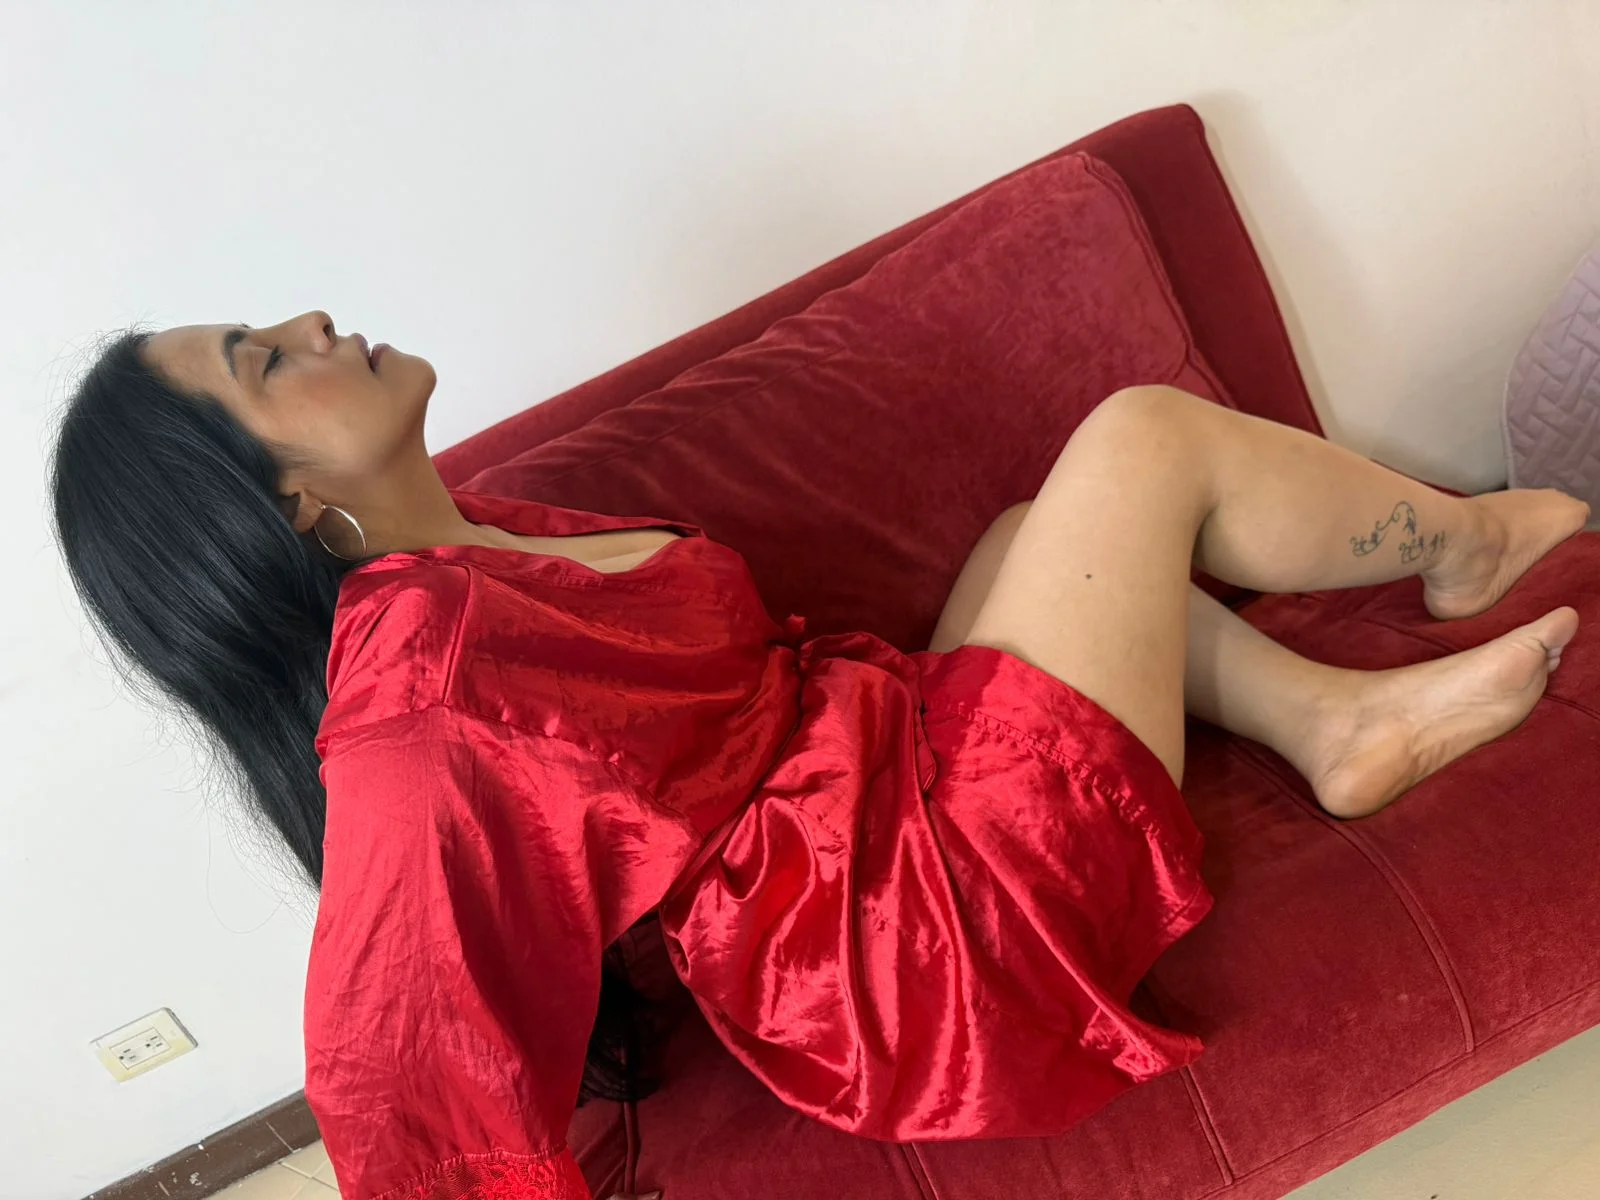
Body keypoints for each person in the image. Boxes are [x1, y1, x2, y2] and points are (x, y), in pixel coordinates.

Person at [50, 310, 1587, 1200]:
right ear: (289, 504)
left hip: (878, 785)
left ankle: (1334, 724)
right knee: (1143, 440)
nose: (314, 324)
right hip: (912, 941)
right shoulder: (420, 698)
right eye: (266, 360)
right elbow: (391, 1054)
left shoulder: (478, 535)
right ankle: (1465, 544)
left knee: (1028, 536)